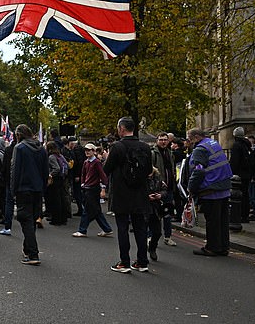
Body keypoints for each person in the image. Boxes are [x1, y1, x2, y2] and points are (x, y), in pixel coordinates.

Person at [103, 117, 152, 273]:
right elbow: (149, 170)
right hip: (140, 192)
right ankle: (142, 262)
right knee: (140, 228)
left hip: (121, 193)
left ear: (121, 129)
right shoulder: (145, 147)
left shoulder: (117, 147)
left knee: (123, 227)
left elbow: (106, 169)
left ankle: (124, 262)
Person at [186, 128, 233, 256]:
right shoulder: (213, 143)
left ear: (196, 137)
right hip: (224, 187)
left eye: (189, 138)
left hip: (210, 189)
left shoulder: (200, 149)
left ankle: (212, 248)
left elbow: (199, 170)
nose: (188, 141)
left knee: (212, 221)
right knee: (222, 220)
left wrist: (191, 188)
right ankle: (223, 247)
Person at [11, 124, 48, 266]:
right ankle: (28, 249)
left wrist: (13, 190)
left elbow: (15, 170)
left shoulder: (19, 148)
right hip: (37, 188)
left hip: (23, 188)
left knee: (26, 220)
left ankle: (33, 253)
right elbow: (45, 171)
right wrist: (43, 187)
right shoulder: (41, 149)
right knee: (31, 219)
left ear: (19, 135)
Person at [72, 143, 113, 237]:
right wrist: (83, 183)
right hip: (87, 188)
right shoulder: (86, 162)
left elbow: (103, 176)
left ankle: (82, 230)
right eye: (86, 150)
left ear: (94, 151)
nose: (87, 152)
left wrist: (103, 188)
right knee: (96, 211)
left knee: (87, 210)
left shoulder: (97, 163)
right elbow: (83, 174)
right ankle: (107, 229)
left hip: (93, 189)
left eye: (89, 150)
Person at [151, 132, 177, 246]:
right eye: (161, 140)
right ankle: (150, 236)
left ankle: (168, 237)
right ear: (157, 141)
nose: (163, 142)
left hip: (169, 188)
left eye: (165, 140)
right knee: (154, 215)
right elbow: (150, 170)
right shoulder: (153, 153)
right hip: (157, 188)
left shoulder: (170, 153)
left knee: (167, 214)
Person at [229, 126, 252, 223]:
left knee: (238, 195)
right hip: (247, 173)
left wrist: (232, 172)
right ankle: (245, 215)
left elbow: (235, 161)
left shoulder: (237, 145)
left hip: (239, 174)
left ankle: (239, 215)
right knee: (245, 194)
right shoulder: (247, 145)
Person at [45, 141, 68, 226]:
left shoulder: (51, 157)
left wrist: (50, 174)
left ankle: (56, 219)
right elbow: (66, 166)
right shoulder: (60, 156)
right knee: (62, 199)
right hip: (62, 179)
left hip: (55, 180)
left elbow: (56, 168)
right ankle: (63, 218)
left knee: (55, 200)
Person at [0, 139, 17, 235]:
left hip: (9, 180)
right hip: (23, 180)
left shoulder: (9, 150)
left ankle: (7, 226)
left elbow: (5, 166)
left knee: (9, 202)